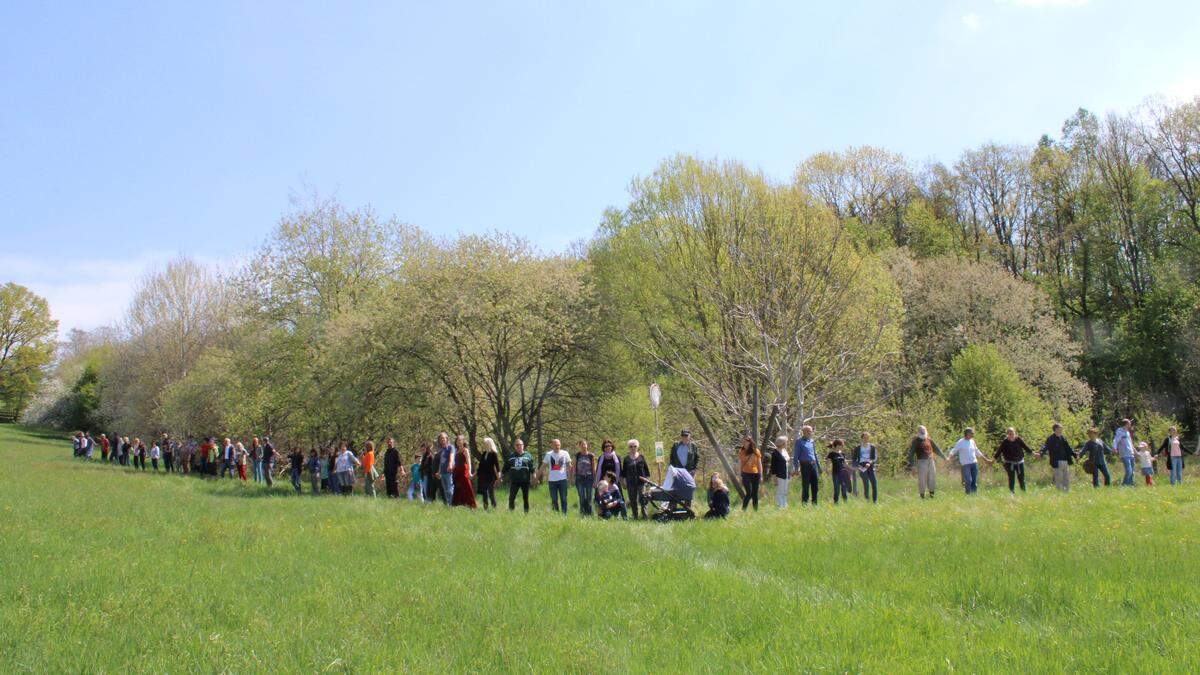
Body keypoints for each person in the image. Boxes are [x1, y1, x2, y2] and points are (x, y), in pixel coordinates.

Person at [948, 428, 992, 495]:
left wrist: (985, 459)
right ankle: (968, 494)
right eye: (972, 433)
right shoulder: (960, 442)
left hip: (974, 463)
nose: (973, 434)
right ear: (967, 434)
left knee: (974, 481)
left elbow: (977, 451)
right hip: (965, 465)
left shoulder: (972, 441)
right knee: (968, 480)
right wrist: (949, 457)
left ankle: (974, 494)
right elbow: (954, 450)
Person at [908, 425, 946, 499]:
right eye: (921, 430)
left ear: (926, 431)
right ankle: (922, 496)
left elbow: (936, 449)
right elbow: (911, 453)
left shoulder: (929, 439)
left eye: (924, 430)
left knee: (932, 478)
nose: (923, 432)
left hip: (931, 461)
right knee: (922, 479)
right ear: (918, 432)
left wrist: (944, 457)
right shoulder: (915, 441)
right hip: (921, 462)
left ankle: (932, 495)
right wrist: (912, 465)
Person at [993, 428, 1034, 494]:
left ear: (1015, 433)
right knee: (1011, 478)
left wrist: (1033, 453)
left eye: (1013, 434)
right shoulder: (1005, 442)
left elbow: (1026, 447)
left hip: (1019, 462)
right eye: (1010, 434)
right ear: (1007, 435)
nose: (1012, 435)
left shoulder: (1018, 439)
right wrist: (993, 460)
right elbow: (999, 451)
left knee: (1021, 478)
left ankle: (1024, 492)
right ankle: (1012, 492)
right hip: (1009, 463)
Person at [539, 438, 572, 515]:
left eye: (558, 445)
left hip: (563, 480)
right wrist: (536, 477)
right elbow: (543, 466)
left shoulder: (565, 453)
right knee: (554, 499)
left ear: (560, 445)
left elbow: (570, 466)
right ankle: (556, 514)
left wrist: (571, 478)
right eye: (555, 445)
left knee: (563, 499)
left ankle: (564, 515)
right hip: (552, 481)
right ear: (552, 445)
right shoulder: (548, 454)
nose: (557, 446)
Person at [1040, 423, 1076, 492]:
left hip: (1065, 460)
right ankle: (1059, 493)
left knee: (1066, 478)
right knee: (1058, 479)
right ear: (1056, 429)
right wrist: (1041, 453)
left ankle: (1066, 492)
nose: (1062, 429)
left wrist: (1075, 455)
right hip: (1056, 461)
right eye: (1060, 428)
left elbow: (1068, 448)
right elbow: (1045, 446)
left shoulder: (1063, 437)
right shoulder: (1050, 438)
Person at [621, 440, 651, 519]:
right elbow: (623, 472)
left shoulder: (641, 457)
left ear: (637, 447)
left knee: (643, 499)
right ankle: (635, 516)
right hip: (630, 482)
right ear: (628, 448)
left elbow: (646, 470)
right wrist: (624, 481)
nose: (633, 448)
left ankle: (645, 516)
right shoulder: (626, 459)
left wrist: (647, 480)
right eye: (631, 446)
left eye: (634, 446)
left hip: (641, 482)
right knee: (633, 500)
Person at [504, 439, 535, 512]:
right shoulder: (511, 456)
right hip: (514, 481)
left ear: (523, 446)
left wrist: (535, 477)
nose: (519, 446)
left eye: (520, 445)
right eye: (517, 445)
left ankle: (526, 514)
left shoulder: (528, 456)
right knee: (511, 498)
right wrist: (499, 477)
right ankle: (511, 513)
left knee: (525, 498)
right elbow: (505, 468)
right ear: (514, 446)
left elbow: (532, 468)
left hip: (525, 481)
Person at [793, 425, 821, 504]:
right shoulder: (799, 441)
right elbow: (796, 456)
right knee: (806, 485)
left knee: (815, 485)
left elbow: (815, 454)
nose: (809, 433)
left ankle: (815, 503)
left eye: (810, 431)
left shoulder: (812, 441)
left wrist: (819, 466)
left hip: (814, 465)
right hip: (805, 465)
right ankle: (804, 503)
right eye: (807, 431)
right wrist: (796, 468)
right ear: (803, 432)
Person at [474, 437, 500, 510]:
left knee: (491, 492)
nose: (484, 445)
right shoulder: (484, 454)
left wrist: (499, 477)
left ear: (489, 444)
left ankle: (494, 507)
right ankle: (485, 508)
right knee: (484, 493)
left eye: (485, 443)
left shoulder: (494, 454)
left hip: (491, 477)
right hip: (483, 477)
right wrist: (475, 475)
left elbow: (497, 466)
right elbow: (480, 466)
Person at [737, 435, 762, 511]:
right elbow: (740, 464)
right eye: (743, 441)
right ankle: (743, 510)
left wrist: (761, 475)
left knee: (755, 493)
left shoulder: (756, 451)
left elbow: (759, 464)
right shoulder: (741, 451)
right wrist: (739, 475)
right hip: (745, 473)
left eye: (745, 441)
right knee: (749, 492)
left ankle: (755, 510)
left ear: (749, 442)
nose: (743, 443)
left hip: (755, 474)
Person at [450, 437, 477, 508]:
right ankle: (456, 504)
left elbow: (469, 462)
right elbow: (455, 462)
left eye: (460, 440)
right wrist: (453, 468)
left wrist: (470, 472)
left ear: (463, 441)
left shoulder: (465, 450)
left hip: (464, 471)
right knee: (457, 487)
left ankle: (472, 505)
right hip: (457, 472)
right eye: (457, 441)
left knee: (467, 487)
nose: (458, 442)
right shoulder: (456, 451)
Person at [853, 432, 878, 503]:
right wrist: (858, 466)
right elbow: (854, 459)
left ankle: (875, 501)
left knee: (874, 483)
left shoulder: (872, 447)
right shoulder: (858, 447)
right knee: (866, 484)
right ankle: (867, 499)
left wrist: (869, 463)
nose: (866, 439)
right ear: (862, 438)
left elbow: (874, 458)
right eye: (864, 437)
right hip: (862, 466)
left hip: (870, 466)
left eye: (867, 437)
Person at [573, 440, 596, 516]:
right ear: (579, 446)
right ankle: (582, 513)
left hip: (589, 478)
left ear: (587, 445)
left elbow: (593, 468)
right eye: (582, 445)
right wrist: (573, 478)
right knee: (582, 496)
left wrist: (595, 479)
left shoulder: (591, 455)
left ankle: (590, 513)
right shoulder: (577, 455)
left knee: (589, 496)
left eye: (585, 444)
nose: (584, 446)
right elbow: (574, 467)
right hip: (579, 478)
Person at [826, 440, 852, 504]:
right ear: (835, 446)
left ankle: (846, 503)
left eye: (841, 446)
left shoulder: (842, 454)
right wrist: (827, 470)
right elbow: (828, 463)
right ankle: (836, 503)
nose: (839, 447)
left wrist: (851, 470)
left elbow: (846, 464)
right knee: (837, 489)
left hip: (843, 474)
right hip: (835, 473)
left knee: (844, 489)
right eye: (838, 445)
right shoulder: (831, 454)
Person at [434, 433, 456, 506]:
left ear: (447, 439)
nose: (442, 439)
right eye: (440, 438)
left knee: (450, 489)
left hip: (449, 471)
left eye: (443, 438)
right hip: (442, 472)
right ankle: (449, 505)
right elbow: (441, 462)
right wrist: (439, 472)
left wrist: (450, 464)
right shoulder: (442, 450)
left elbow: (452, 456)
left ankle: (453, 503)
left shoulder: (451, 447)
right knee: (446, 490)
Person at [769, 436, 791, 508]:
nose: (786, 443)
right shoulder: (775, 453)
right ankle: (780, 505)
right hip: (779, 474)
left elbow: (787, 460)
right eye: (786, 442)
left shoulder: (784, 451)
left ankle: (785, 504)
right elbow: (773, 466)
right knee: (780, 490)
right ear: (782, 443)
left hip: (786, 473)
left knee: (785, 490)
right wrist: (774, 477)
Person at [1114, 419, 1136, 486]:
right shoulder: (1120, 431)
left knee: (1132, 471)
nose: (1130, 424)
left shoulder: (1127, 432)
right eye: (1129, 423)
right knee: (1129, 471)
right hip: (1124, 454)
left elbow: (1131, 443)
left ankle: (1131, 484)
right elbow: (1115, 440)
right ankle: (1124, 484)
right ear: (1126, 424)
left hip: (1131, 453)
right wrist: (1115, 448)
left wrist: (1135, 452)